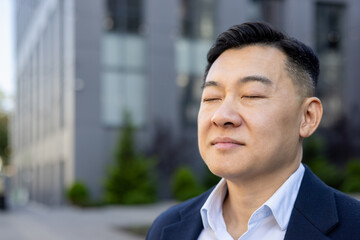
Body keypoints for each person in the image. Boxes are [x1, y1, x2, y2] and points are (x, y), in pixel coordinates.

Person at [146, 22, 360, 240]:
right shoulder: (167, 229)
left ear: (308, 117)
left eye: (251, 95)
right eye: (212, 98)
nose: (221, 116)